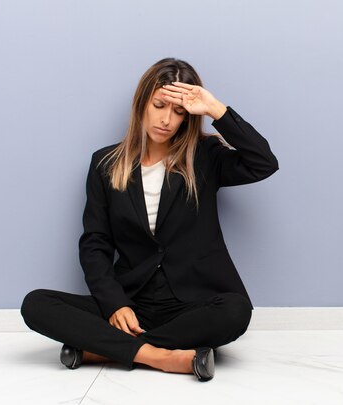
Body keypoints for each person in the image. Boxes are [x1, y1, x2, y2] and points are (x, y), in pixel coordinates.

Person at [20, 58, 278, 382]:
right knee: (36, 304)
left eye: (179, 112)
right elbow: (95, 244)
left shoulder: (205, 157)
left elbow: (263, 163)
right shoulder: (105, 163)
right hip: (130, 302)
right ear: (142, 103)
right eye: (159, 105)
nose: (167, 120)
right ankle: (163, 357)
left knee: (236, 312)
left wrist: (214, 108)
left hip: (189, 305)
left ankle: (105, 351)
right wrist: (115, 305)